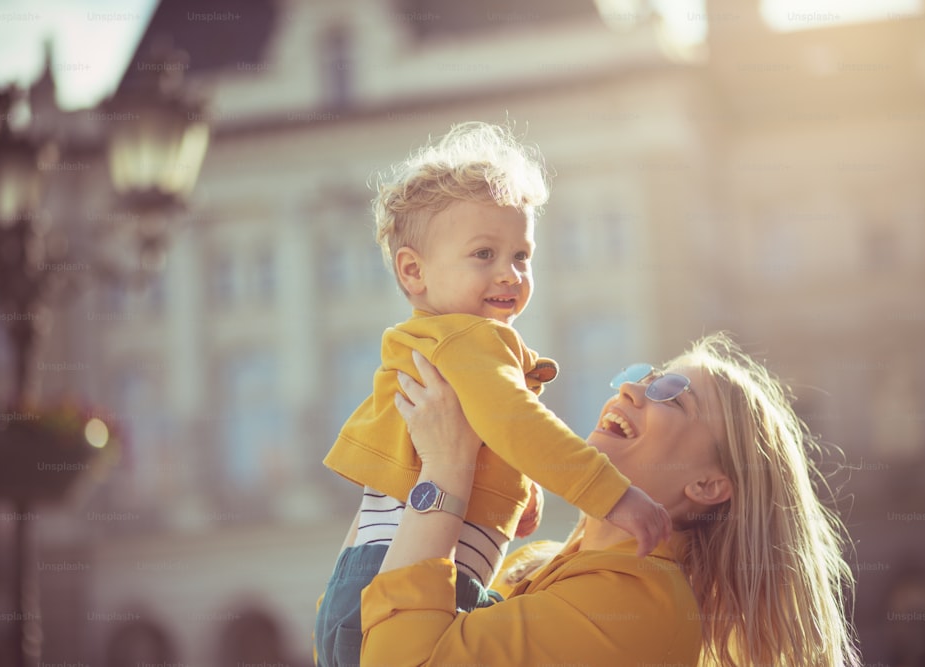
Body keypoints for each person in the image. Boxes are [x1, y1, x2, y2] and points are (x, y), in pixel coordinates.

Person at [314, 122, 670, 667]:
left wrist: (515, 489)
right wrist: (612, 495)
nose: (510, 274)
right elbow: (514, 419)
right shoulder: (472, 337)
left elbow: (488, 433)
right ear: (414, 271)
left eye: (521, 256)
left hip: (368, 584)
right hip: (410, 584)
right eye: (484, 254)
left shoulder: (443, 342)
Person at [361, 333, 861, 666]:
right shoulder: (536, 564)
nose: (630, 389)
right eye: (643, 376)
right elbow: (347, 632)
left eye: (674, 394)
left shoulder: (639, 607)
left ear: (708, 486)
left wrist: (446, 468)